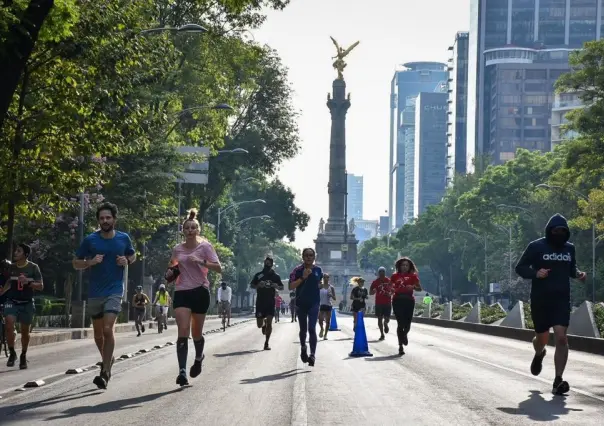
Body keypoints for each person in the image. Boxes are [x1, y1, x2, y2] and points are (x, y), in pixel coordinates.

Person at [515, 213, 586, 395]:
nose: (559, 233)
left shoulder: (569, 249)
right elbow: (520, 267)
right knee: (542, 339)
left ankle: (558, 381)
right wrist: (536, 273)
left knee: (562, 338)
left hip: (561, 300)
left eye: (563, 231)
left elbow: (571, 269)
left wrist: (578, 274)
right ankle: (539, 353)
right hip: (540, 300)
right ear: (549, 231)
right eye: (556, 231)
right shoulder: (536, 246)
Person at [73, 202, 136, 389]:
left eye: (108, 217)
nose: (105, 220)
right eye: (102, 218)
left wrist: (127, 260)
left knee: (108, 329)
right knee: (98, 335)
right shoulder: (90, 240)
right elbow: (76, 262)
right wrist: (90, 262)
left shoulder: (124, 238)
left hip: (115, 290)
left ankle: (105, 372)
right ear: (98, 221)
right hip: (95, 292)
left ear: (114, 219)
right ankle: (108, 360)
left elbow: (132, 256)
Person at [165, 209, 220, 386]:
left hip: (200, 291)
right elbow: (172, 267)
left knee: (196, 333)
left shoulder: (205, 247)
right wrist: (169, 273)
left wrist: (202, 262)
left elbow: (219, 268)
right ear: (183, 230)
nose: (190, 230)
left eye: (193, 228)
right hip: (182, 291)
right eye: (187, 228)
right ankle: (182, 371)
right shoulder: (177, 249)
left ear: (198, 230)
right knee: (183, 331)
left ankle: (198, 358)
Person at [0, 244, 43, 369]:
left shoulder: (33, 268)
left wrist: (28, 282)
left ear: (25, 254)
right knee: (9, 323)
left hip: (27, 302)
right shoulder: (12, 267)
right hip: (12, 301)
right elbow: (9, 281)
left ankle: (23, 354)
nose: (15, 252)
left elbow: (40, 286)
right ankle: (12, 352)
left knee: (25, 331)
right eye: (15, 250)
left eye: (19, 251)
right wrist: (3, 290)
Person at [289, 248, 323, 367]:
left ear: (314, 257)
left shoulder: (318, 270)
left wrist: (320, 285)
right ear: (303, 257)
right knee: (303, 330)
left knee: (312, 329)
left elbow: (318, 283)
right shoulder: (297, 270)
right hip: (301, 304)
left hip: (314, 303)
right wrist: (303, 277)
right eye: (306, 255)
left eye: (311, 255)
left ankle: (312, 354)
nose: (309, 257)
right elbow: (290, 286)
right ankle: (303, 347)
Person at [250, 256, 284, 350]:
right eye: (266, 262)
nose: (267, 264)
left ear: (272, 264)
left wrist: (276, 286)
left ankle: (266, 343)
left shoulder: (275, 276)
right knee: (259, 325)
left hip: (270, 302)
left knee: (270, 322)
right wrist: (258, 285)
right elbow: (252, 285)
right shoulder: (259, 275)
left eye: (269, 263)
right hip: (260, 302)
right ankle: (263, 324)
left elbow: (282, 287)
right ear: (264, 263)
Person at [390, 257, 422, 356]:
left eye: (406, 265)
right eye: (403, 265)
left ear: (409, 267)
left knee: (407, 324)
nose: (404, 267)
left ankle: (404, 335)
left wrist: (413, 287)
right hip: (397, 300)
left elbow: (419, 288)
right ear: (399, 266)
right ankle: (400, 346)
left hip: (409, 300)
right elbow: (390, 287)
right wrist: (392, 289)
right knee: (400, 323)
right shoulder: (395, 276)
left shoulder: (413, 276)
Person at [370, 267, 393, 341]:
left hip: (387, 302)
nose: (382, 273)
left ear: (385, 272)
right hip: (379, 303)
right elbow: (370, 292)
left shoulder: (389, 281)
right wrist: (373, 291)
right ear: (378, 273)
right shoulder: (375, 282)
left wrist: (390, 294)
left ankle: (385, 324)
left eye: (383, 271)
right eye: (380, 271)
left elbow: (393, 290)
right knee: (379, 318)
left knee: (387, 318)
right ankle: (382, 334)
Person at [318, 273, 336, 340]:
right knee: (320, 320)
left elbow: (335, 298)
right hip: (321, 305)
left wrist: (331, 295)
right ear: (323, 278)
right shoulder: (320, 286)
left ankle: (325, 335)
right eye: (325, 277)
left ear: (329, 278)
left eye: (327, 277)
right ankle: (322, 329)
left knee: (328, 321)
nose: (326, 278)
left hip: (328, 305)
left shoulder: (331, 287)